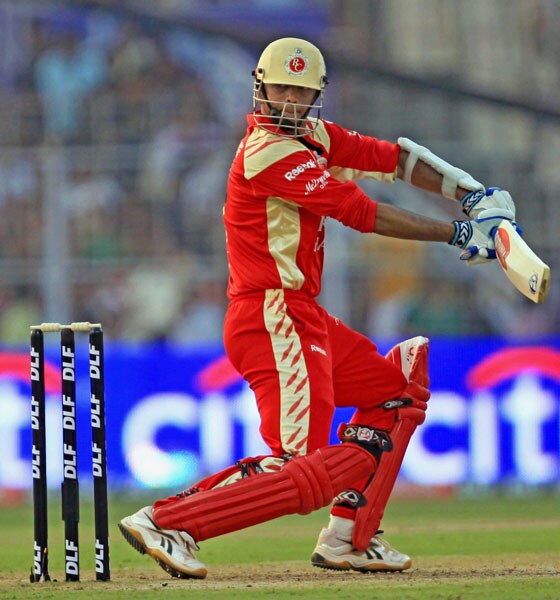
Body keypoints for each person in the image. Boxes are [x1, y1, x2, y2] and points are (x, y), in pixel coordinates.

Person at [118, 37, 516, 579]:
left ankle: (350, 536)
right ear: (261, 89)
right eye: (281, 88)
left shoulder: (314, 136)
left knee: (396, 394)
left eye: (301, 92)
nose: (290, 100)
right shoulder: (268, 152)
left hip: (301, 313)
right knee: (298, 466)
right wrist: (460, 234)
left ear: (316, 96)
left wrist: (471, 192)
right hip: (270, 315)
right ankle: (166, 521)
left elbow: (393, 160)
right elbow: (360, 212)